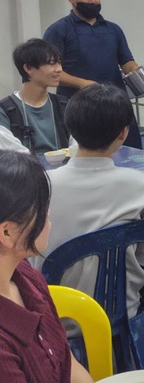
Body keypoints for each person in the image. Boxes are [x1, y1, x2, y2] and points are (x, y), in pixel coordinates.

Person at [33, 84, 144, 319]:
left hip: (51, 317)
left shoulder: (39, 186)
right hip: (122, 311)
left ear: (69, 127)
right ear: (123, 133)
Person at [0, 150, 93, 383]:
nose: (48, 214)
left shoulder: (26, 276)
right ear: (7, 232)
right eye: (41, 209)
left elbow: (66, 361)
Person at [43, 0, 144, 149]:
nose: (92, 1)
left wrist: (137, 72)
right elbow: (50, 71)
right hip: (78, 107)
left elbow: (127, 61)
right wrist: (84, 84)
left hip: (116, 104)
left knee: (131, 153)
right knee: (84, 155)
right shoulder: (58, 30)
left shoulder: (113, 29)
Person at [0, 39, 73, 154]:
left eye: (59, 63)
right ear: (28, 68)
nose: (59, 69)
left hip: (65, 165)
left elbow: (78, 143)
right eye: (52, 63)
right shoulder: (4, 110)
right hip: (24, 165)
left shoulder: (65, 105)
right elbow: (12, 154)